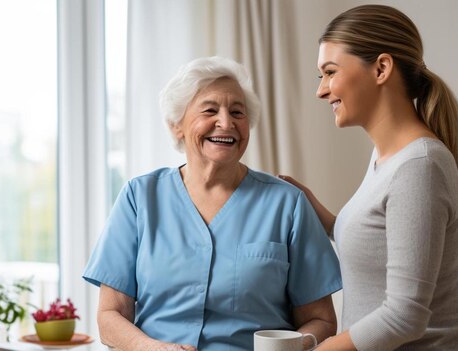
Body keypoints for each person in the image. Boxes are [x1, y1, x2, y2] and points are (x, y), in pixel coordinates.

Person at [83, 56, 342, 351]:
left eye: (237, 112)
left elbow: (321, 320)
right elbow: (110, 315)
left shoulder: (287, 203)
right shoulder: (139, 197)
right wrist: (153, 348)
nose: (226, 122)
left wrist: (289, 347)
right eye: (209, 110)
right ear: (176, 125)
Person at [279, 4, 458, 350]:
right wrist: (320, 215)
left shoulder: (419, 166)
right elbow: (382, 242)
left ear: (381, 68)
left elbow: (404, 316)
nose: (321, 90)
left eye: (330, 72)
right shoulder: (387, 157)